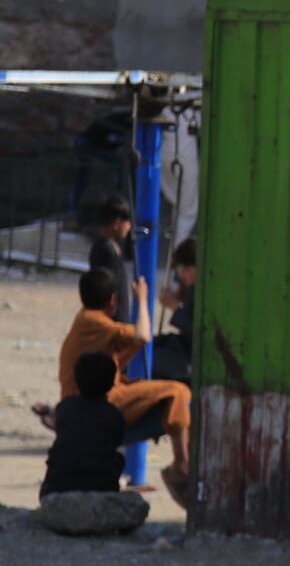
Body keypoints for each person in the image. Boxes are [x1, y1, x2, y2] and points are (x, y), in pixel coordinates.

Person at [57, 268, 192, 496]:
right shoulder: (99, 324)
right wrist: (142, 299)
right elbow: (143, 336)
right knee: (179, 391)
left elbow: (122, 354)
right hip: (98, 399)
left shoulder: (85, 320)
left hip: (83, 398)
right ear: (113, 300)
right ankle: (182, 463)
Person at [42, 351, 127, 497]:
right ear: (112, 383)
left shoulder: (65, 407)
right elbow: (115, 440)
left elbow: (68, 429)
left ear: (76, 380)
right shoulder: (113, 414)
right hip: (101, 489)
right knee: (118, 458)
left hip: (56, 489)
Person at [85, 195, 136, 324]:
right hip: (111, 323)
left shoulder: (110, 247)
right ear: (117, 224)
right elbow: (107, 291)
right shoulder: (105, 251)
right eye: (127, 223)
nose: (129, 227)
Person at [153, 238, 196, 382]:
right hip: (180, 345)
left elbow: (197, 333)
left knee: (152, 360)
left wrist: (175, 307)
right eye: (180, 268)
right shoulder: (190, 286)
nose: (181, 274)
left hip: (191, 357)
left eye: (187, 269)